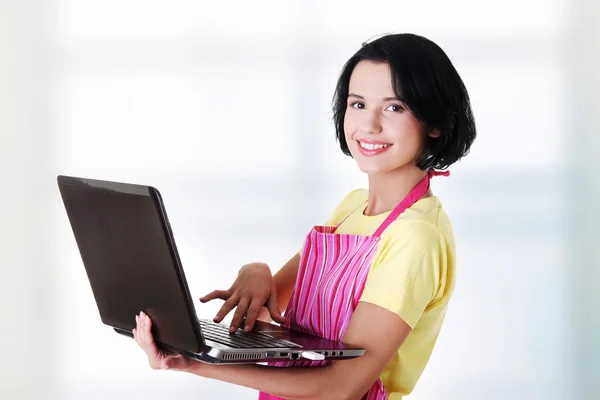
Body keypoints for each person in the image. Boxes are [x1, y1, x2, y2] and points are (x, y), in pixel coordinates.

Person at [132, 32, 476, 399]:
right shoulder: (352, 207)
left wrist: (195, 363)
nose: (369, 125)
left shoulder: (416, 237)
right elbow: (269, 316)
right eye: (357, 104)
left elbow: (339, 388)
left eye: (395, 108)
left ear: (435, 122)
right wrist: (256, 271)